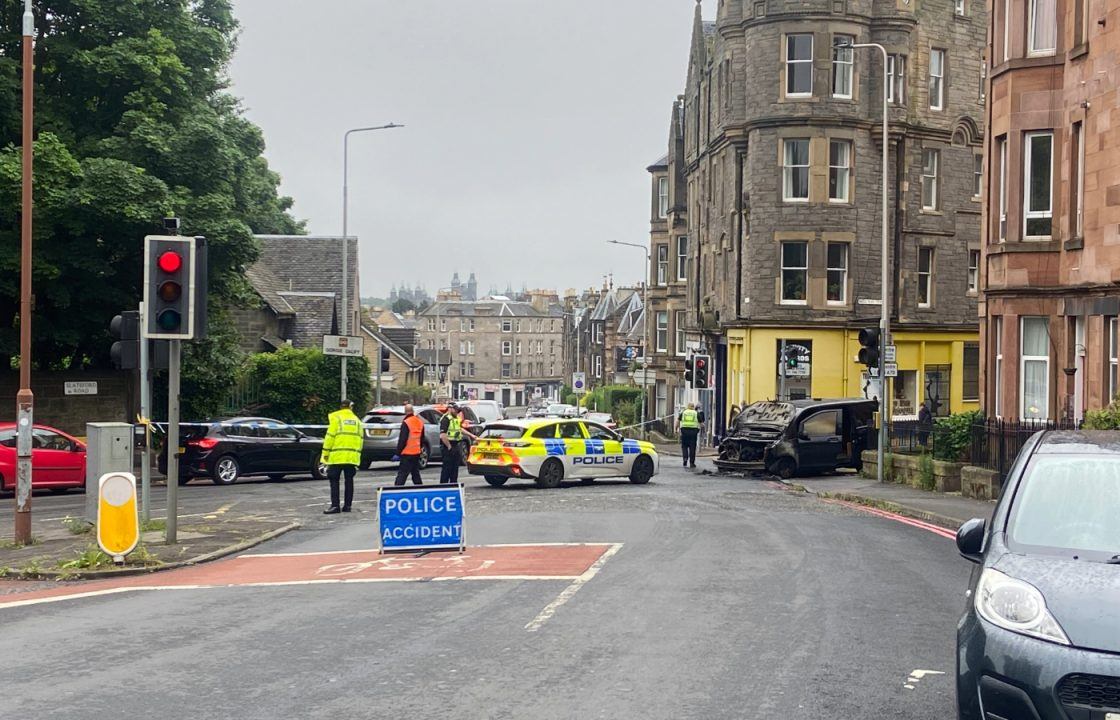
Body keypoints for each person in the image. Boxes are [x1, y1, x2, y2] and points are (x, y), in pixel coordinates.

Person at [321, 400, 364, 515]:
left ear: (341, 407)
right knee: (349, 481)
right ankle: (347, 506)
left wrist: (325, 453)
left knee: (334, 481)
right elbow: (360, 440)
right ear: (351, 408)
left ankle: (335, 506)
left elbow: (330, 437)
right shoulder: (357, 421)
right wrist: (357, 456)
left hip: (337, 456)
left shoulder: (337, 418)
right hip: (351, 457)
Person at [439, 404, 478, 484]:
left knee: (455, 469)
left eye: (458, 410)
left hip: (456, 445)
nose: (457, 412)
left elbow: (460, 429)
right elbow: (443, 435)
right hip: (448, 446)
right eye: (456, 410)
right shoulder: (446, 419)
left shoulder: (456, 418)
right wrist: (449, 447)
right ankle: (443, 486)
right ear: (450, 409)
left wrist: (472, 435)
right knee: (447, 469)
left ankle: (453, 485)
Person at [394, 404, 429, 486]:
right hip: (416, 452)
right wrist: (419, 449)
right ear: (413, 411)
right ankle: (420, 489)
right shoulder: (419, 422)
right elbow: (422, 438)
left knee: (402, 474)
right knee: (415, 473)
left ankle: (396, 491)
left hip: (407, 453)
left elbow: (403, 439)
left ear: (405, 412)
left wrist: (398, 453)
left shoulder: (406, 422)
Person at [677, 403, 705, 469]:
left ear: (688, 406)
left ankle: (685, 458)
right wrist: (703, 428)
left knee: (684, 446)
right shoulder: (696, 413)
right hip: (693, 432)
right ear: (693, 407)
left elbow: (678, 421)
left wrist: (676, 429)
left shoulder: (684, 412)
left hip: (684, 431)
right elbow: (701, 423)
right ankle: (692, 463)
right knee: (692, 448)